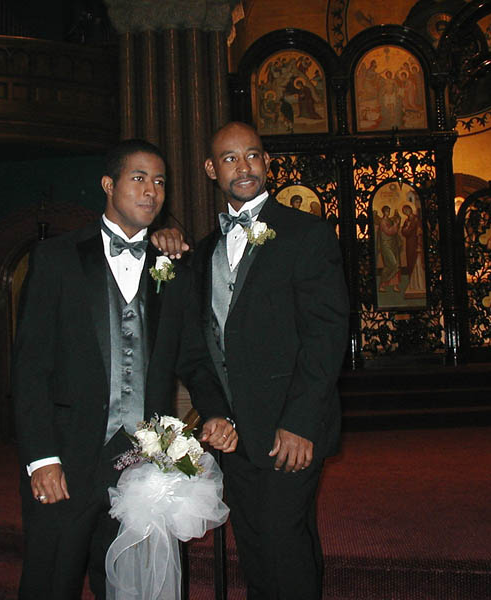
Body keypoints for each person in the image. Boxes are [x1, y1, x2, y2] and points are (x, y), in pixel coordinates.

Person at [12, 139, 236, 600]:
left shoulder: (173, 268)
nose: (151, 191)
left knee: (129, 586)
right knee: (50, 581)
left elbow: (193, 358)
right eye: (139, 178)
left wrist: (216, 412)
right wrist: (42, 457)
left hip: (140, 463)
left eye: (160, 182)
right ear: (108, 185)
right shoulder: (57, 258)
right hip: (67, 458)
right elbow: (30, 366)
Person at [188, 121, 348, 599]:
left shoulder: (306, 233)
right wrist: (214, 412)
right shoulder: (203, 252)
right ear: (211, 169)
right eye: (230, 158)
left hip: (289, 430)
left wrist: (300, 422)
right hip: (236, 435)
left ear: (268, 163)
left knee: (282, 542)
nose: (244, 167)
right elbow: (200, 346)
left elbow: (326, 335)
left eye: (253, 155)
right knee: (255, 546)